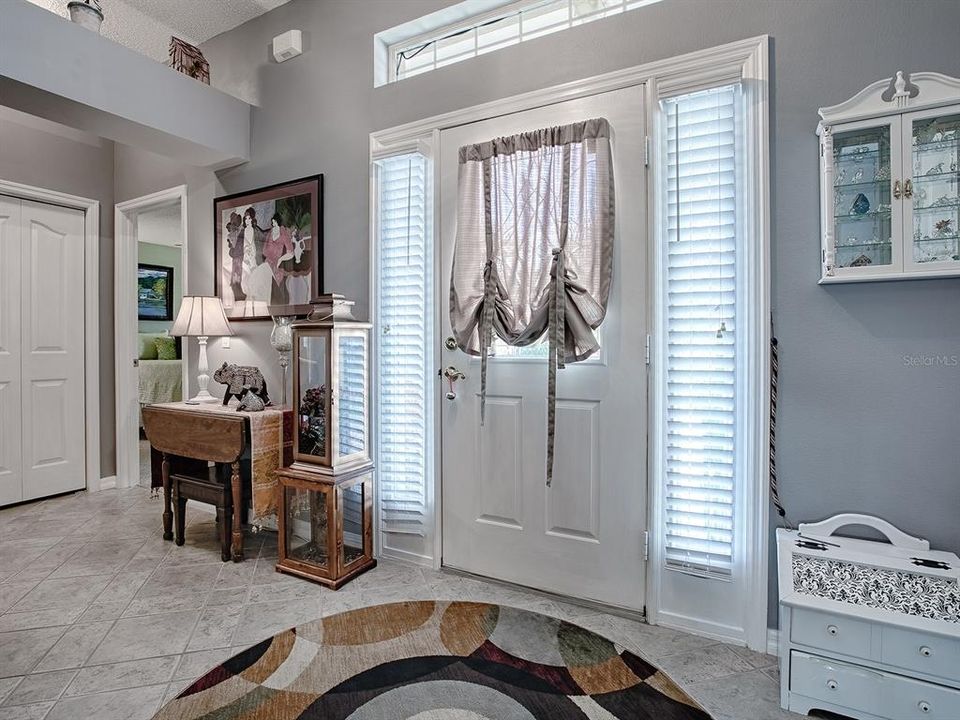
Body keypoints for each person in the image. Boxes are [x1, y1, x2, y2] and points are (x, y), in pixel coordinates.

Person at [262, 212, 295, 305]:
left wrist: (280, 259)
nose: (273, 223)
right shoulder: (270, 233)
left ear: (278, 222)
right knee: (266, 286)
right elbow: (264, 250)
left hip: (277, 264)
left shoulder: (283, 233)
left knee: (278, 286)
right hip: (268, 262)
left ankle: (280, 308)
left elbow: (291, 252)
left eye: (275, 221)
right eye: (272, 222)